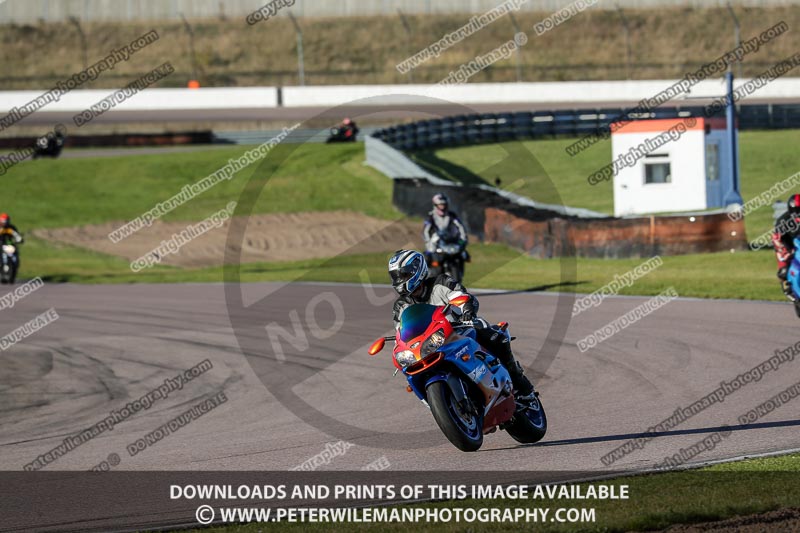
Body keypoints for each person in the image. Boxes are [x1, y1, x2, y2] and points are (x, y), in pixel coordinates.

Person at [388, 249, 535, 398]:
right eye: (396, 277)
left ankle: (521, 386)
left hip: (459, 329)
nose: (399, 281)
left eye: (404, 275)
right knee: (411, 371)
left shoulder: (441, 283)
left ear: (417, 269)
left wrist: (467, 310)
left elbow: (461, 296)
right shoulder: (401, 306)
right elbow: (401, 331)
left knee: (495, 337)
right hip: (430, 345)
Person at [423, 192, 468, 257]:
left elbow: (460, 227)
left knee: (462, 252)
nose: (442, 207)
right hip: (436, 240)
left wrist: (463, 238)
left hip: (449, 238)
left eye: (444, 205)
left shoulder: (452, 215)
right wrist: (428, 241)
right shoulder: (431, 217)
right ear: (435, 205)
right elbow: (425, 231)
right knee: (429, 253)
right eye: (440, 205)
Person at [773, 194, 800, 300]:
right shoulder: (783, 221)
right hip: (789, 246)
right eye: (796, 210)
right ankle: (786, 286)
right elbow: (778, 240)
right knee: (783, 271)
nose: (798, 213)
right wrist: (785, 251)